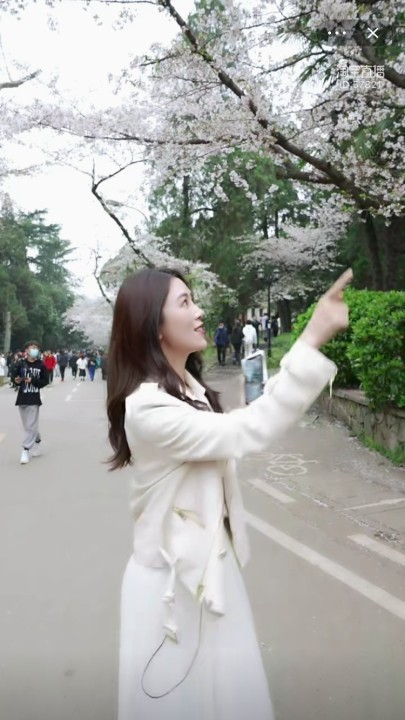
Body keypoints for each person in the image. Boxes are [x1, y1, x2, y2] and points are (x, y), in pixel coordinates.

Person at [106, 265, 352, 720]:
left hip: (209, 571)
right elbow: (248, 429)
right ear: (153, 325)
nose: (199, 311)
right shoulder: (148, 409)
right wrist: (311, 338)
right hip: (171, 589)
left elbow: (241, 422)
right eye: (184, 303)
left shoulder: (186, 391)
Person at [14, 340, 49, 464]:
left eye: (36, 348)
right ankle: (38, 442)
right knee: (29, 426)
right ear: (27, 351)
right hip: (22, 398)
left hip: (34, 399)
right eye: (32, 347)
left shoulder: (41, 365)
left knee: (30, 426)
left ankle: (25, 450)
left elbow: (45, 381)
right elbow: (15, 377)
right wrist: (16, 381)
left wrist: (32, 381)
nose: (34, 350)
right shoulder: (21, 364)